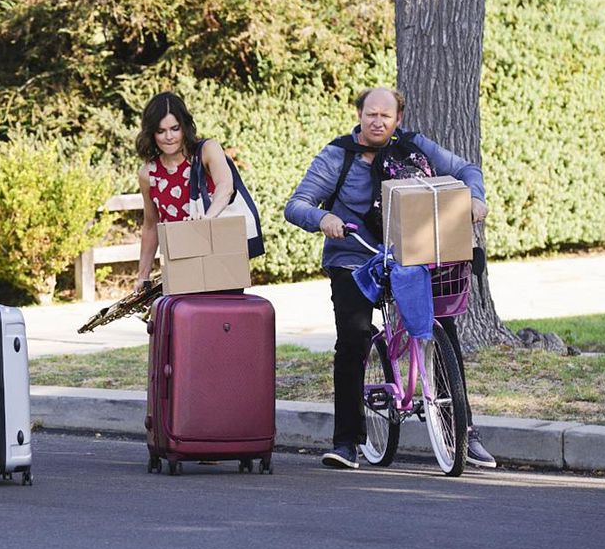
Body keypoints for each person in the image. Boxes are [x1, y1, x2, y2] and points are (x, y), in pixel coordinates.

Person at [284, 87, 497, 470]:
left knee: (443, 329)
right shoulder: (337, 155)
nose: (377, 121)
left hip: (412, 256)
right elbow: (296, 204)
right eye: (370, 114)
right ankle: (348, 441)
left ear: (398, 118)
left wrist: (475, 199)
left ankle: (462, 430)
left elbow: (467, 170)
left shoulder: (412, 148)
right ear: (359, 116)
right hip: (356, 257)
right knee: (354, 338)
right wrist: (323, 219)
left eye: (386, 115)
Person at [135, 91, 234, 286]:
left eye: (175, 128)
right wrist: (142, 276)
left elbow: (225, 186)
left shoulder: (206, 150)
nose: (169, 137)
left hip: (219, 258)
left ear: (184, 127)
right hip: (179, 265)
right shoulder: (148, 174)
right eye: (161, 131)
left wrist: (207, 218)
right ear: (151, 133)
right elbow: (150, 225)